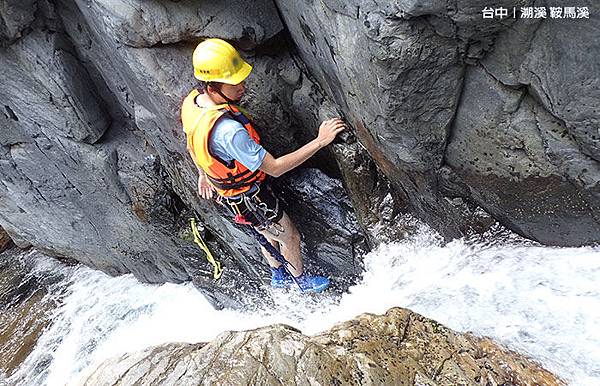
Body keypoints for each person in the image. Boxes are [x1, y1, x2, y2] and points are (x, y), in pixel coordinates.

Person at [181, 38, 346, 293]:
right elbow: (276, 167)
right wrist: (320, 141)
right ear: (213, 87)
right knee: (288, 235)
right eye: (235, 83)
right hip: (251, 198)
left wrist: (203, 174)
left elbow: (191, 140)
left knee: (266, 231)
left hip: (231, 196)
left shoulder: (193, 103)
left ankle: (278, 275)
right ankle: (300, 282)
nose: (243, 87)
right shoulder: (229, 132)